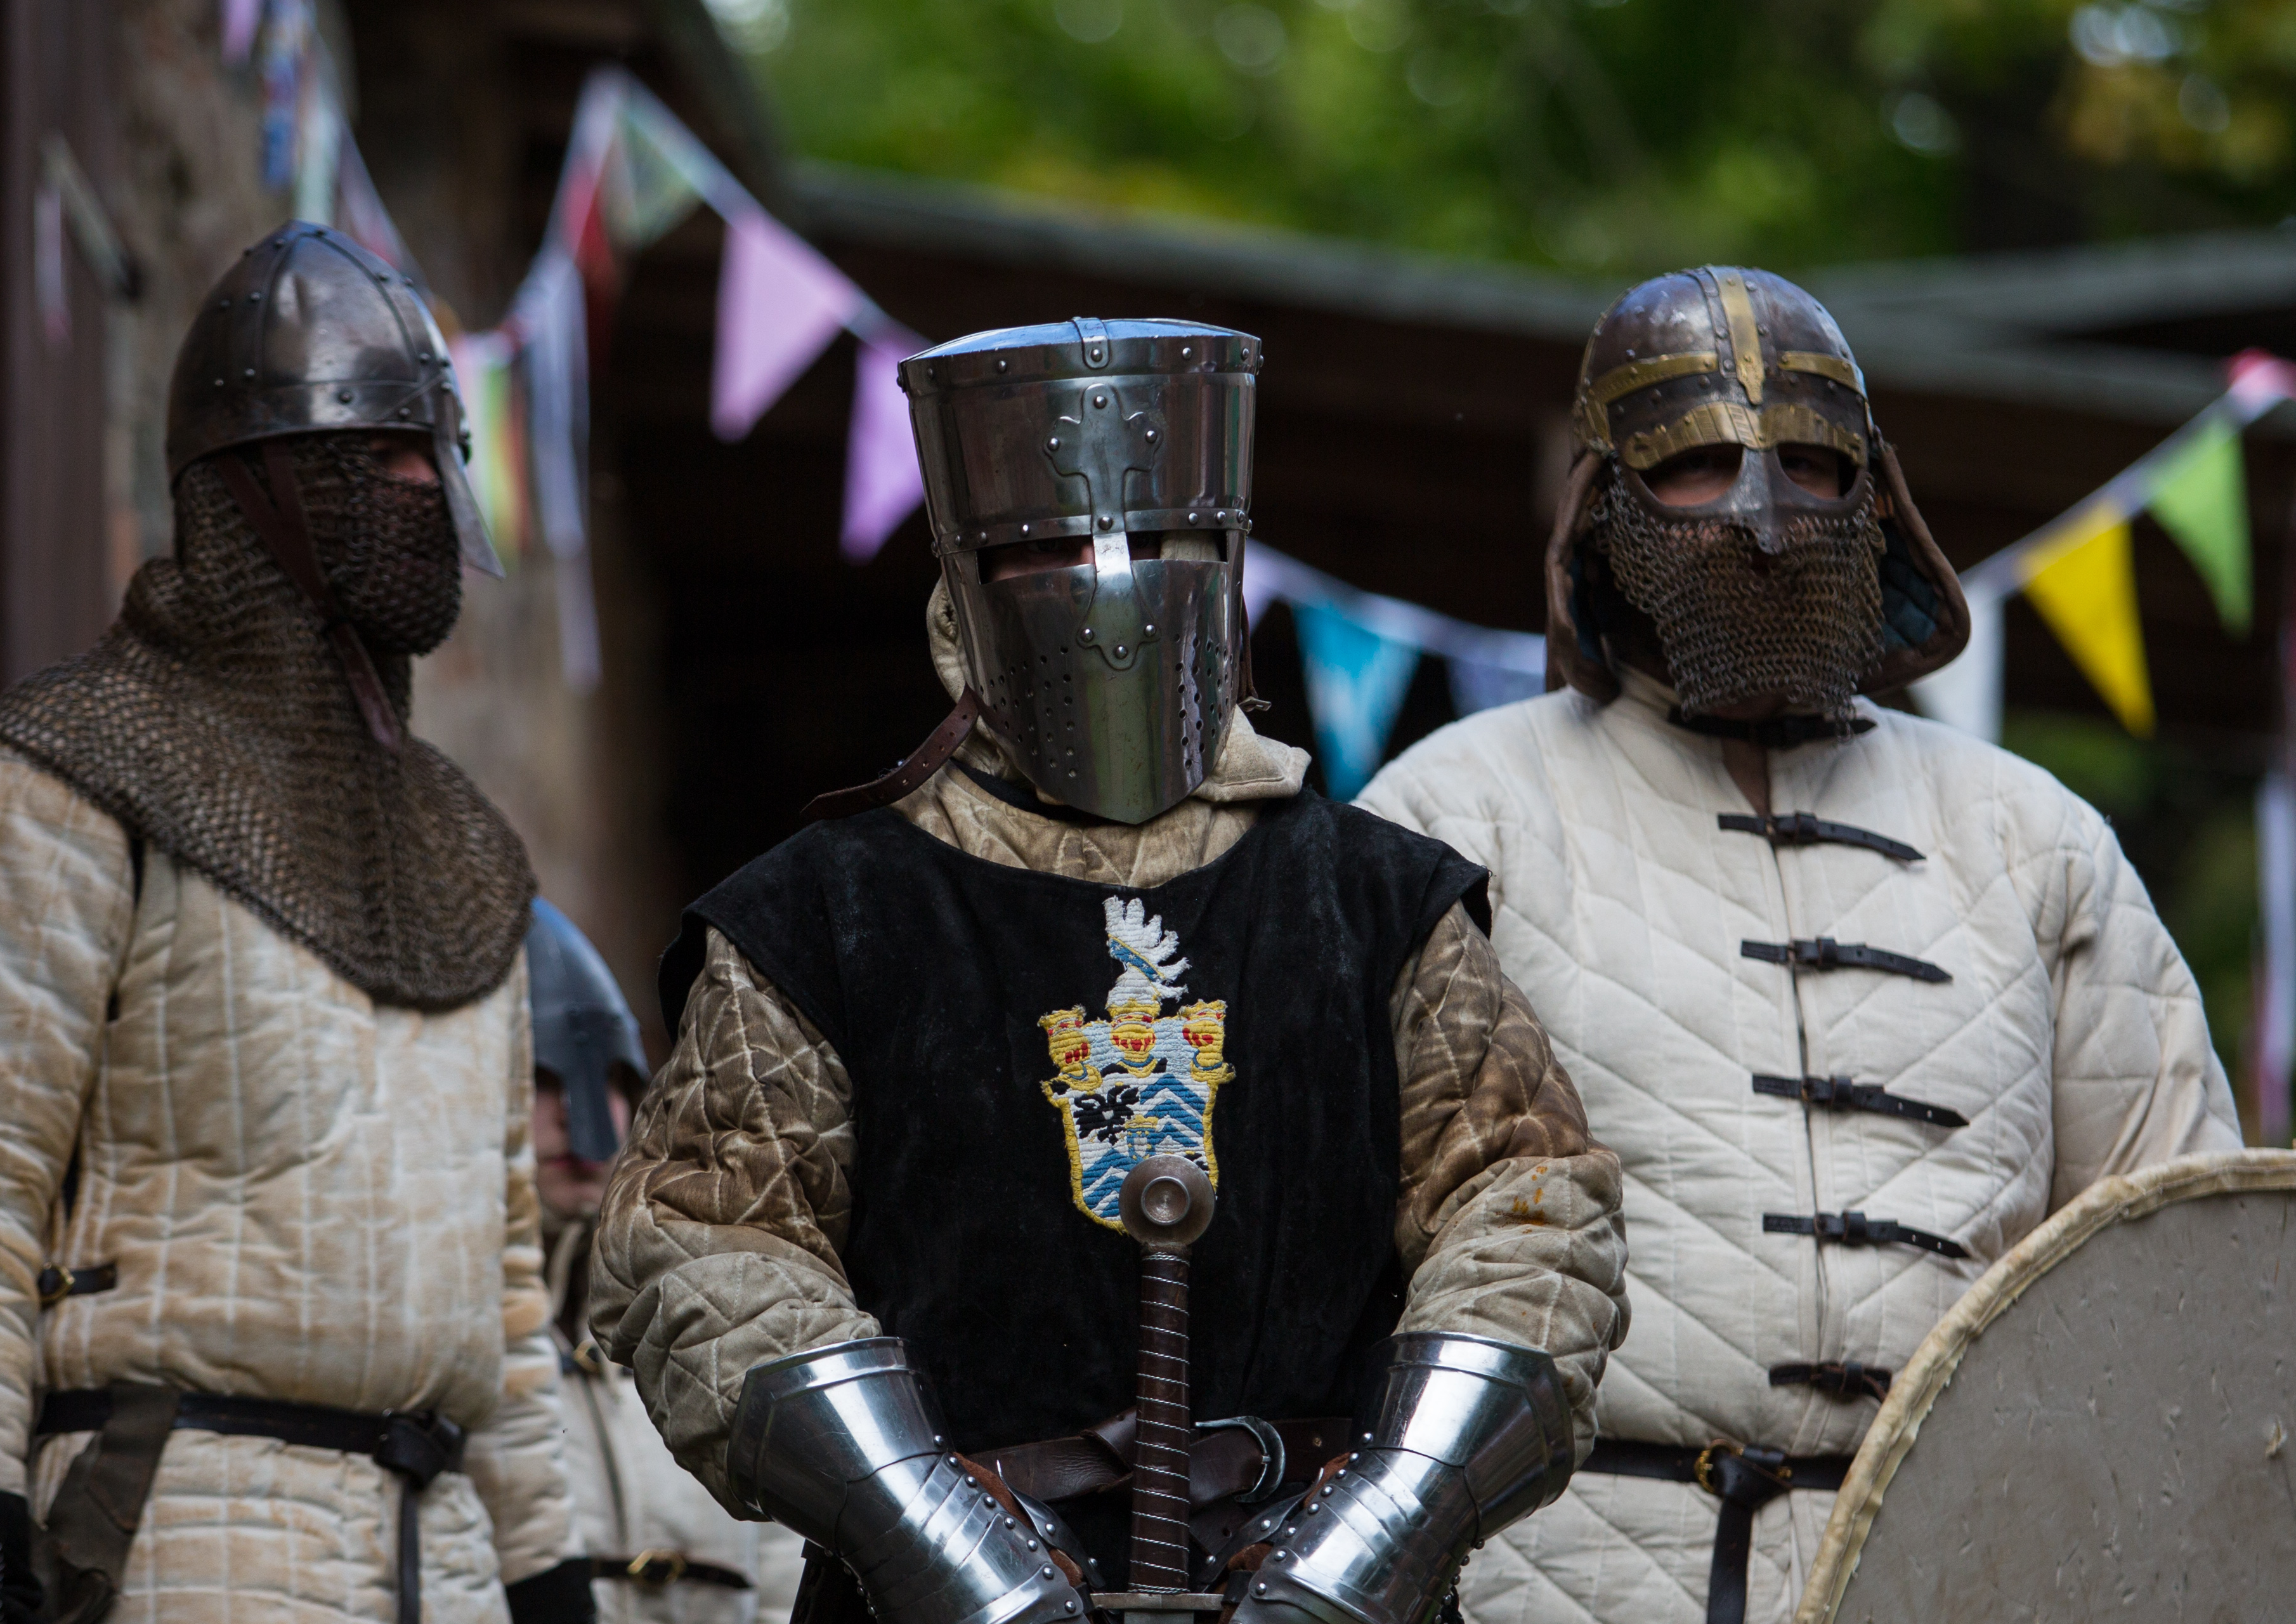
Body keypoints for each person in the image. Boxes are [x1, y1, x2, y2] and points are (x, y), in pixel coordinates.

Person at [587, 318, 1629, 1624]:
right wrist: (931, 1538)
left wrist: (1380, 1532)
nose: (1110, 592)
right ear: (964, 581)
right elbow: (705, 1244)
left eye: (1161, 542)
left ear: (1227, 562)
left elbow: (1531, 1210)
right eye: (1043, 553)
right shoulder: (820, 917)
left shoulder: (1378, 901)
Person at [1357, 266, 2244, 1624]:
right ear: (1605, 506)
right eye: (1698, 465)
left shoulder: (2032, 841)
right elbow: (1327, 1262)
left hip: (1970, 1572)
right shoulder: (1454, 819)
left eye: (1810, 466)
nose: (1763, 522)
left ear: (1875, 495)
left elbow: (2179, 1273)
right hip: (1556, 1575)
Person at [0, 223, 590, 1624]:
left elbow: (504, 1292)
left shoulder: (463, 844)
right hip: (178, 1533)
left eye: (437, 453)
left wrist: (551, 1576)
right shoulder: (64, 771)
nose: (429, 490)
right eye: (385, 455)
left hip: (449, 1560)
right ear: (263, 483)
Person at [523, 898, 806, 1624]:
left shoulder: (708, 1311)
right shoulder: (450, 1339)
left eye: (605, 1080)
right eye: (539, 1081)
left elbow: (787, 1569)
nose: (574, 1112)